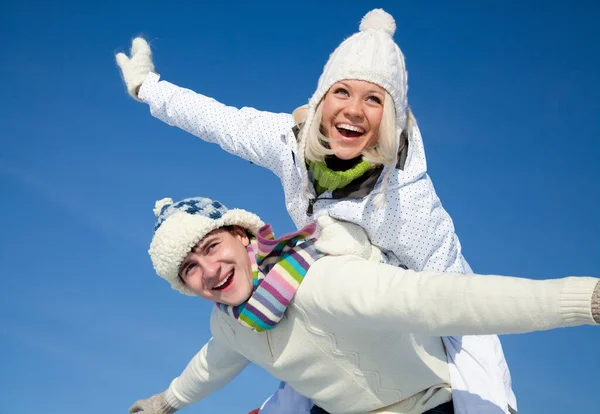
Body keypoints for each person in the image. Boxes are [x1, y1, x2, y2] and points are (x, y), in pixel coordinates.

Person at [117, 9, 516, 413]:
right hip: (330, 320)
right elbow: (220, 122)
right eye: (342, 92)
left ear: (388, 117)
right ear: (322, 99)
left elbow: (462, 305)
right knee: (292, 302)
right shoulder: (290, 144)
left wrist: (492, 404)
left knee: (332, 274)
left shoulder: (406, 200)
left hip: (399, 334)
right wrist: (149, 88)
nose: (354, 110)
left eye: (373, 99)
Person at [129, 196, 600, 414]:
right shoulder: (231, 326)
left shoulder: (322, 281)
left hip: (427, 405)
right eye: (189, 268)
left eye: (211, 247)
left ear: (242, 235)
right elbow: (210, 366)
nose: (208, 270)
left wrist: (585, 299)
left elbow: (446, 300)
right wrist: (165, 403)